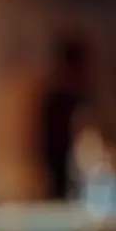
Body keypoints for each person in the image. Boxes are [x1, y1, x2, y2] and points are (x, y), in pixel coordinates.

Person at [37, 35, 93, 201]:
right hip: (60, 175)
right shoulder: (56, 101)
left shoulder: (83, 98)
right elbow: (48, 144)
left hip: (83, 176)